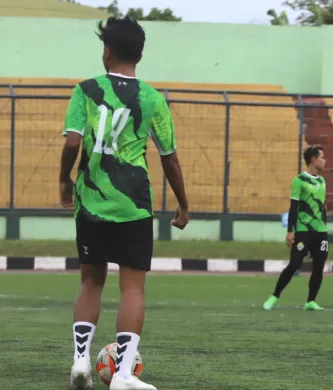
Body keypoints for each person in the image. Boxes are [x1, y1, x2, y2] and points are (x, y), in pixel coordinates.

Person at [60, 16, 189, 390]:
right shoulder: (152, 98)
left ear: (107, 51)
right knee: (132, 288)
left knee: (90, 282)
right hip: (134, 204)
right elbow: (169, 158)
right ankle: (123, 375)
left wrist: (64, 183)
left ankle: (81, 361)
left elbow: (72, 142)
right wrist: (183, 204)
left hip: (91, 202)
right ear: (141, 54)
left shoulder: (85, 90)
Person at [263, 146, 328, 311]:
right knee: (294, 264)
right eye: (322, 157)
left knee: (319, 265)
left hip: (320, 232)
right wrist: (290, 231)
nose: (324, 160)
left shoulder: (322, 181)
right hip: (303, 231)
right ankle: (274, 297)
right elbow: (293, 207)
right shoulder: (299, 181)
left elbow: (322, 207)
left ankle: (310, 301)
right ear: (313, 159)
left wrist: (325, 227)